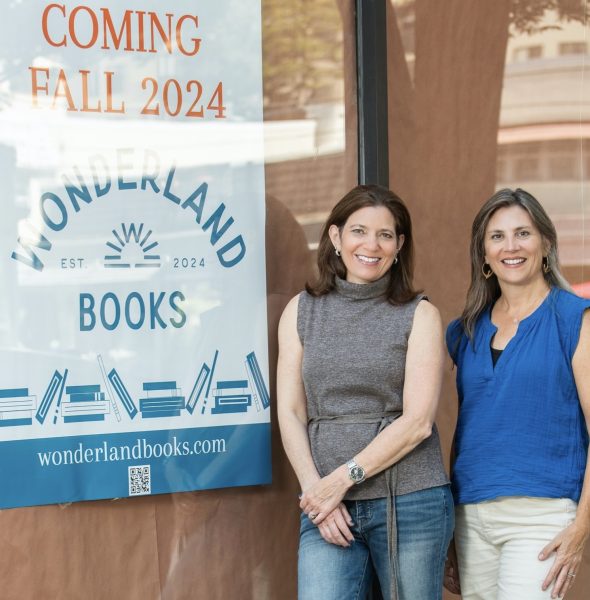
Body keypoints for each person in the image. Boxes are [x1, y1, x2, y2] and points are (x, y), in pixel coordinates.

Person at [277, 184, 453, 600]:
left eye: (385, 235)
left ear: (399, 245)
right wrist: (316, 493)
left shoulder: (420, 315)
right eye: (359, 231)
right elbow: (290, 411)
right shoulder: (301, 311)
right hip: (326, 507)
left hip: (410, 502)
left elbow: (417, 422)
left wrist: (340, 480)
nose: (370, 245)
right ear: (336, 238)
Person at [445, 188, 590, 599]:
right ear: (484, 255)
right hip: (470, 515)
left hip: (541, 514)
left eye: (523, 233)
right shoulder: (464, 331)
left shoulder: (574, 318)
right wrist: (450, 529)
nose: (511, 246)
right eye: (497, 237)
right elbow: (466, 429)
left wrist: (581, 526)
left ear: (545, 244)